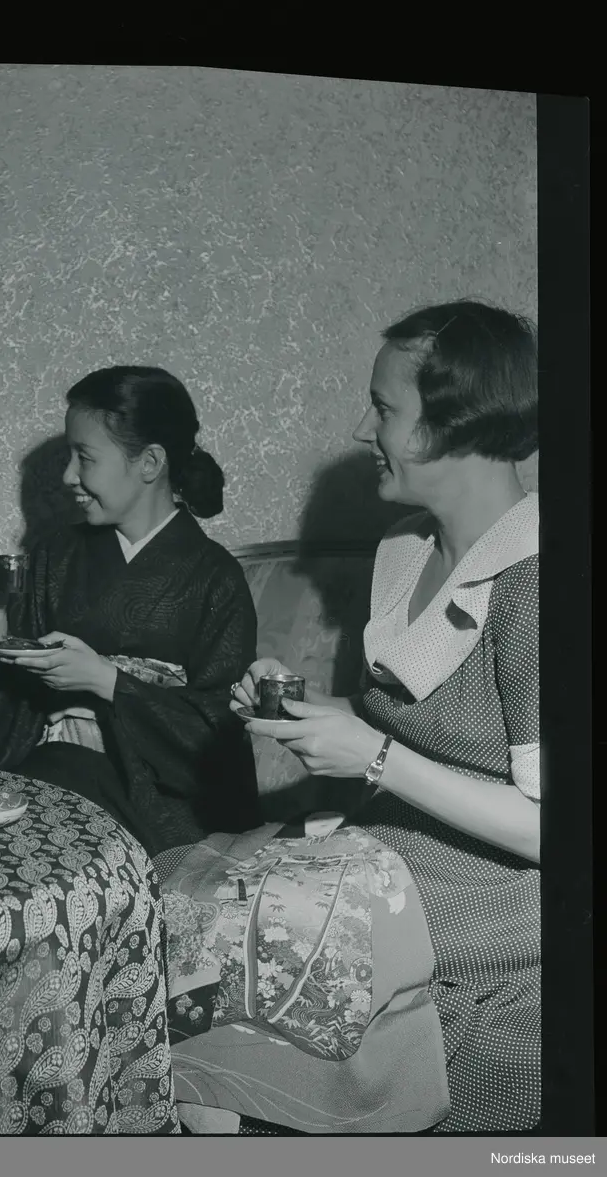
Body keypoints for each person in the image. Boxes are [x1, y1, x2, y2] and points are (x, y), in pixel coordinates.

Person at [227, 300, 539, 1133]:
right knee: (187, 905)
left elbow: (556, 832)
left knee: (237, 950)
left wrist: (371, 758)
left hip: (500, 901)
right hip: (389, 850)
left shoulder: (541, 580)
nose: (364, 429)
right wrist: (302, 706)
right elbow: (402, 725)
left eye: (385, 408)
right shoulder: (405, 548)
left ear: (453, 424)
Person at [0, 366, 261, 857]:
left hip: (152, 808)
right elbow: (12, 715)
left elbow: (220, 735)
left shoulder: (215, 577)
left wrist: (108, 682)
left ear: (150, 462)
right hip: (45, 779)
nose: (67, 476)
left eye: (85, 457)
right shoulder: (55, 556)